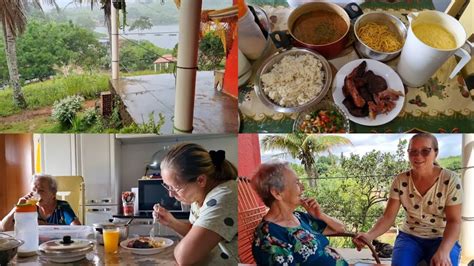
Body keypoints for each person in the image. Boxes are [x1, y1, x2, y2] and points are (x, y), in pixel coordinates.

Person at [354, 133, 463, 266]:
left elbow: (454, 221)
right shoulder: (401, 180)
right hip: (410, 237)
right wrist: (369, 235)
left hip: (441, 237)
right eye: (413, 152)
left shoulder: (450, 180)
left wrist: (444, 251)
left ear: (436, 152)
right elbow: (388, 217)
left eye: (425, 151)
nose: (418, 156)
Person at [152, 143, 238, 265]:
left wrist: (181, 247)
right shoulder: (200, 195)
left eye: (175, 188)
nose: (171, 194)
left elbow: (184, 257)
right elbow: (200, 233)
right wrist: (171, 221)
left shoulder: (225, 196)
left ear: (201, 180)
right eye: (167, 186)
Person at [251, 161, 348, 266]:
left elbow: (341, 228)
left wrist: (321, 216)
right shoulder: (269, 237)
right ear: (277, 193)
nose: (302, 187)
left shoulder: (299, 217)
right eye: (296, 183)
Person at [1, 174, 81, 231]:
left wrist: (43, 225)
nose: (36, 194)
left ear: (53, 193)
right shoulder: (29, 207)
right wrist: (17, 207)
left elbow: (78, 228)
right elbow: (5, 228)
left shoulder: (62, 206)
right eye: (33, 190)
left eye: (41, 190)